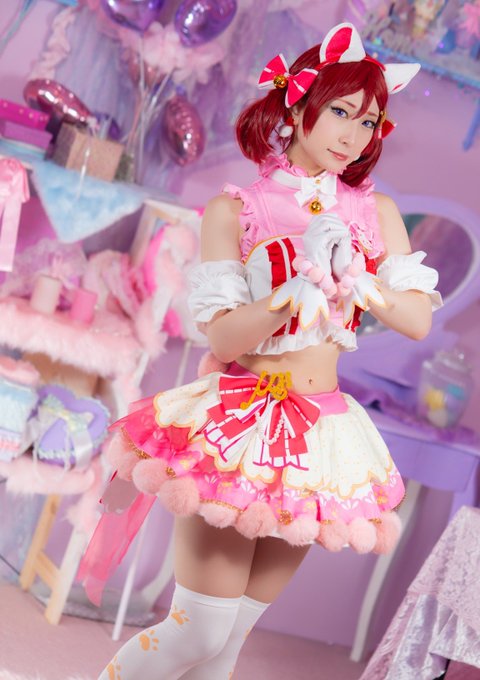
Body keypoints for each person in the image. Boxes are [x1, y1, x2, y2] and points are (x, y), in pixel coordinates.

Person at [82, 21, 442, 680]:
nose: (353, 135)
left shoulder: (378, 213)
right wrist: (289, 291)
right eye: (341, 112)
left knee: (227, 644)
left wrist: (360, 282)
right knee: (198, 631)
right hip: (243, 423)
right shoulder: (238, 210)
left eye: (368, 122)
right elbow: (221, 336)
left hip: (320, 432)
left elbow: (417, 319)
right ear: (298, 105)